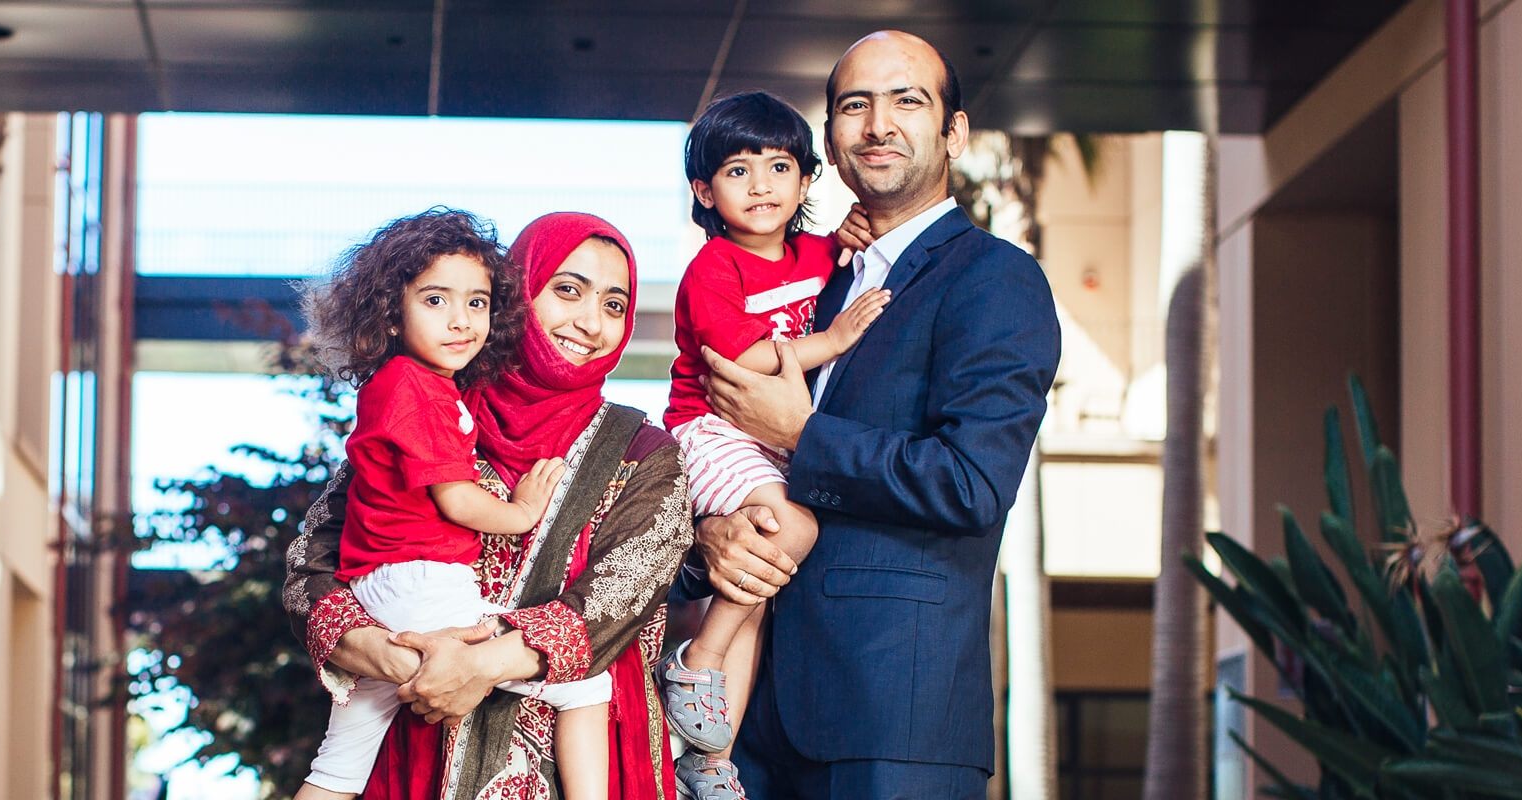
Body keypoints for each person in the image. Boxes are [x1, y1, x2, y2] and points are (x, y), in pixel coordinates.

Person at [691, 30, 1063, 799]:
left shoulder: (995, 279)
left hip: (896, 725)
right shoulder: (812, 287)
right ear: (831, 138)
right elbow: (738, 457)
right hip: (751, 725)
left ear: (953, 132)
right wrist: (714, 537)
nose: (878, 124)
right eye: (854, 106)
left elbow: (970, 484)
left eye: (907, 101)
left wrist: (800, 432)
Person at [284, 212, 694, 800]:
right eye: (567, 290)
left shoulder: (643, 454)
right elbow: (311, 565)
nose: (589, 322)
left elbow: (617, 602)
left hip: (571, 764)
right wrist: (383, 653)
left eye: (613, 304)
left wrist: (478, 664)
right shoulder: (433, 407)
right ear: (519, 295)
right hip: (414, 742)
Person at [656, 90, 891, 800]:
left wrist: (856, 229)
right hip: (713, 426)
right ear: (704, 190)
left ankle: (709, 756)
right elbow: (738, 360)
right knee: (790, 528)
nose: (760, 185)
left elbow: (853, 246)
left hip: (772, 442)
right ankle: (695, 659)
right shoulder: (714, 269)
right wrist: (834, 339)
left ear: (807, 180)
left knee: (751, 590)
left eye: (779, 166)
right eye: (737, 170)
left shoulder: (821, 253)